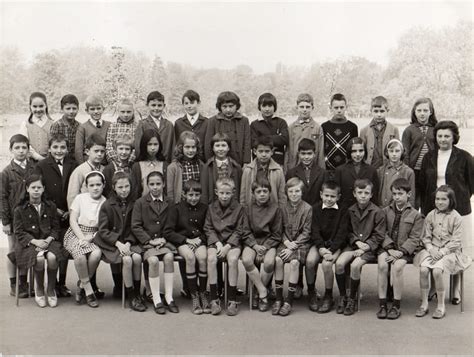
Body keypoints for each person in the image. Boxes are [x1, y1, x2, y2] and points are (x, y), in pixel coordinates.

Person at [419, 120, 474, 304]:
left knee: (456, 248)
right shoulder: (429, 157)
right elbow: (423, 184)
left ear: (454, 137)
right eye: (440, 136)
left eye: (447, 136)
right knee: (436, 244)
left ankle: (456, 289)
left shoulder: (465, 157)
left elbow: (471, 184)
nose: (443, 139)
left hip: (459, 210)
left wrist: (458, 198)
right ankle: (434, 287)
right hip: (434, 209)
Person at [414, 185, 471, 319]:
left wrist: (442, 252)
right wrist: (431, 249)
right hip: (432, 249)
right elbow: (426, 237)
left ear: (451, 200)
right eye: (437, 199)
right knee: (423, 270)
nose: (439, 202)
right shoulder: (430, 215)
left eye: (443, 199)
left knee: (437, 271)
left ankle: (440, 305)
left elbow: (456, 241)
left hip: (449, 252)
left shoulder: (456, 217)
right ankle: (424, 303)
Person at [12, 175, 67, 308]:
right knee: (39, 259)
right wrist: (35, 241)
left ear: (43, 189)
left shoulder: (50, 206)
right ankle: (40, 289)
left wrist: (48, 240)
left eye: (39, 187)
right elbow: (19, 232)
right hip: (29, 243)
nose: (36, 190)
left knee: (53, 257)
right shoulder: (20, 209)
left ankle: (51, 289)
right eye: (33, 188)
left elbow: (55, 228)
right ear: (27, 189)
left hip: (49, 240)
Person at [95, 172, 146, 312]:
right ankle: (130, 296)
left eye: (127, 186)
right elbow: (103, 231)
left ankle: (136, 292)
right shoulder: (107, 205)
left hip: (130, 241)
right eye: (120, 187)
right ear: (114, 187)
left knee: (136, 258)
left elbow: (136, 226)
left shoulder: (136, 203)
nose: (124, 190)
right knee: (128, 260)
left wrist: (129, 243)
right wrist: (118, 243)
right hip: (113, 243)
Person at [34, 133, 78, 297]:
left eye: (62, 147)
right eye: (55, 147)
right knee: (54, 248)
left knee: (64, 249)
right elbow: (40, 190)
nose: (59, 151)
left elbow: (77, 189)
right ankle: (49, 284)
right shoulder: (42, 165)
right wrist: (55, 209)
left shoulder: (73, 164)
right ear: (49, 149)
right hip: (51, 213)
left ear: (67, 149)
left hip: (69, 213)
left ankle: (62, 283)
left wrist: (70, 210)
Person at [334, 178, 385, 316]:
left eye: (366, 193)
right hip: (353, 246)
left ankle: (352, 300)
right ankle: (343, 296)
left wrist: (366, 247)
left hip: (369, 249)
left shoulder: (377, 212)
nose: (363, 195)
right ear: (354, 194)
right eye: (360, 192)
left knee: (355, 266)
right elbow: (347, 231)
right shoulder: (350, 210)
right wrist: (356, 242)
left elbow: (379, 235)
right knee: (339, 263)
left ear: (371, 194)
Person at [131, 171, 179, 314]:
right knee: (152, 261)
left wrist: (164, 238)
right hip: (147, 243)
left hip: (164, 241)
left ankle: (169, 297)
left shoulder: (170, 202)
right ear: (147, 185)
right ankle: (157, 298)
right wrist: (149, 241)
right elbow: (136, 226)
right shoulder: (140, 203)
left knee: (169, 257)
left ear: (164, 184)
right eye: (152, 184)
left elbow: (172, 224)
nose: (155, 187)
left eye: (158, 184)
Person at [377, 178, 423, 320]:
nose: (397, 197)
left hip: (404, 251)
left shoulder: (415, 215)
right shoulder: (384, 211)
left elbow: (415, 238)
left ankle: (396, 305)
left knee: (397, 267)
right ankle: (383, 304)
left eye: (400, 194)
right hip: (387, 249)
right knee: (383, 265)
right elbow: (380, 232)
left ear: (408, 194)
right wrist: (390, 249)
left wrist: (401, 252)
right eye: (394, 193)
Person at [164, 180, 210, 314]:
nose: (194, 198)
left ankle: (202, 293)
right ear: (184, 194)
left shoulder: (204, 208)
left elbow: (208, 229)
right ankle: (193, 295)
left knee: (202, 257)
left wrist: (200, 239)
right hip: (183, 241)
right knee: (190, 257)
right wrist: (186, 240)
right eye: (190, 195)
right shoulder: (176, 208)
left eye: (196, 195)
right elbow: (168, 231)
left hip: (199, 240)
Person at [63, 171, 106, 308]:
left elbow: (103, 227)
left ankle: (82, 283)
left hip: (94, 235)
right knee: (80, 255)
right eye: (91, 185)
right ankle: (88, 290)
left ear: (103, 185)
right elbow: (73, 220)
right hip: (76, 233)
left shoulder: (105, 202)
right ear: (86, 186)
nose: (95, 188)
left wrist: (90, 238)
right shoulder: (80, 198)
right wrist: (82, 237)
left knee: (96, 253)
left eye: (98, 184)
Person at [204, 178, 246, 316]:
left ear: (233, 193)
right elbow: (208, 227)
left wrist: (227, 246)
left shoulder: (239, 208)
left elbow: (240, 230)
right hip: (215, 241)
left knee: (233, 260)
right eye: (221, 193)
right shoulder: (211, 207)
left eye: (227, 193)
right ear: (216, 192)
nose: (224, 196)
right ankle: (214, 299)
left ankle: (232, 300)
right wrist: (217, 243)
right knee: (211, 259)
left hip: (232, 243)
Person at [0, 134, 36, 297]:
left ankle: (24, 281)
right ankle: (14, 283)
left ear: (28, 150)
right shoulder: (6, 173)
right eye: (17, 148)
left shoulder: (33, 168)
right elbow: (2, 198)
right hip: (14, 220)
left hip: (29, 217)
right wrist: (5, 222)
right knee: (14, 250)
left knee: (26, 249)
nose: (21, 151)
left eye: (24, 147)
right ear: (11, 150)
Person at [306, 180, 349, 313]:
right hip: (319, 244)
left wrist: (331, 250)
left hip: (335, 246)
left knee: (326, 264)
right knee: (310, 261)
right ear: (321, 195)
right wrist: (320, 247)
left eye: (332, 196)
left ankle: (328, 296)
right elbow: (314, 230)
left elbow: (342, 234)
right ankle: (311, 292)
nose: (329, 199)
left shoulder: (343, 210)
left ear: (338, 197)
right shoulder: (315, 209)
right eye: (326, 196)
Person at [272, 177, 312, 316]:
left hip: (300, 244)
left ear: (302, 192)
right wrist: (286, 242)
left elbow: (307, 232)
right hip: (286, 242)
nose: (294, 194)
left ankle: (288, 301)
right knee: (277, 260)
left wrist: (294, 245)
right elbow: (279, 229)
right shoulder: (282, 208)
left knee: (294, 263)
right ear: (286, 193)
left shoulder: (307, 208)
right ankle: (278, 298)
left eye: (297, 191)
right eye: (291, 192)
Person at [241, 178, 282, 312]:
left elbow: (277, 233)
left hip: (269, 242)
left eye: (265, 191)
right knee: (247, 259)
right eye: (259, 191)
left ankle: (257, 292)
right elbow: (245, 231)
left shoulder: (275, 209)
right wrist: (254, 245)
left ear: (270, 192)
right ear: (253, 194)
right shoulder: (247, 208)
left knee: (269, 262)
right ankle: (263, 291)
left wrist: (265, 246)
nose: (262, 194)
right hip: (253, 241)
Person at [401, 97, 437, 209]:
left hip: (430, 170)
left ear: (430, 112)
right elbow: (405, 153)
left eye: (425, 110)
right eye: (419, 110)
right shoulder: (409, 130)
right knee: (414, 200)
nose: (422, 114)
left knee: (429, 199)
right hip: (414, 171)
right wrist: (407, 170)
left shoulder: (435, 129)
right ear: (414, 112)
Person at [204, 91, 251, 166]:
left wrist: (246, 162)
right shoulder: (213, 121)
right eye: (224, 106)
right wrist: (211, 162)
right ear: (220, 107)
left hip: (239, 161)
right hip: (218, 162)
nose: (228, 109)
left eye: (231, 106)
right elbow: (208, 145)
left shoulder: (244, 121)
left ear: (236, 106)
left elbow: (247, 143)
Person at [240, 136, 286, 208]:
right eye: (260, 151)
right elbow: (243, 194)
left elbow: (282, 195)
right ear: (255, 152)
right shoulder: (248, 170)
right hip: (252, 209)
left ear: (272, 152)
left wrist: (281, 211)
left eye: (267, 151)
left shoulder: (278, 170)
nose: (264, 155)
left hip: (272, 210)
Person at [334, 137, 379, 209]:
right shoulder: (340, 170)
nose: (358, 154)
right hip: (346, 210)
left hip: (366, 210)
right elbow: (336, 195)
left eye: (361, 151)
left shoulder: (372, 170)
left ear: (365, 152)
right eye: (354, 151)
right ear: (349, 152)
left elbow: (375, 195)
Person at [285, 93, 324, 171]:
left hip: (312, 169)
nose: (304, 109)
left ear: (312, 108)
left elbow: (320, 152)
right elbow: (288, 151)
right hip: (294, 168)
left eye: (307, 107)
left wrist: (321, 171)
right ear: (297, 108)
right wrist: (287, 170)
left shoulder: (317, 128)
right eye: (302, 107)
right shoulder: (291, 127)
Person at [200, 132, 242, 204]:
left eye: (223, 145)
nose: (220, 149)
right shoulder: (207, 167)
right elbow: (204, 191)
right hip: (213, 205)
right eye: (217, 146)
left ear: (228, 148)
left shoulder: (236, 167)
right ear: (213, 148)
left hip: (232, 205)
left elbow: (238, 189)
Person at [321, 93, 358, 173]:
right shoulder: (324, 126)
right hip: (328, 169)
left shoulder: (352, 127)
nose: (339, 110)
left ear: (346, 107)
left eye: (342, 107)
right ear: (331, 108)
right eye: (336, 107)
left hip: (347, 170)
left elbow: (354, 150)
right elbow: (322, 150)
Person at [134, 91, 175, 163]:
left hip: (165, 164)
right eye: (153, 105)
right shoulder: (142, 124)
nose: (156, 108)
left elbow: (173, 147)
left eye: (159, 105)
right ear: (147, 105)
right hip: (147, 163)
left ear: (164, 106)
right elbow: (138, 147)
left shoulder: (169, 125)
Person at [359, 96, 400, 169]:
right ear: (371, 111)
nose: (379, 114)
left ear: (387, 111)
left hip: (388, 169)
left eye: (382, 111)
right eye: (376, 111)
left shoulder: (394, 129)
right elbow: (362, 153)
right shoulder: (364, 131)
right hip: (370, 168)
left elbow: (397, 152)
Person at [67, 134, 106, 208]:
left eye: (102, 151)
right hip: (84, 211)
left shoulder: (104, 170)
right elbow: (72, 196)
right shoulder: (80, 171)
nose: (99, 154)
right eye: (96, 151)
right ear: (87, 152)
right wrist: (74, 215)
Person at [250, 92, 289, 166]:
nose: (267, 109)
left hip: (278, 160)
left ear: (275, 107)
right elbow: (253, 142)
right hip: (259, 162)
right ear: (259, 107)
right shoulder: (254, 124)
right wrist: (276, 137)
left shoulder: (281, 122)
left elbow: (284, 139)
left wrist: (262, 138)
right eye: (264, 106)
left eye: (270, 106)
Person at [286, 138, 327, 206]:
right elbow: (288, 195)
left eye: (309, 153)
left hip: (316, 211)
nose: (306, 157)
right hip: (298, 210)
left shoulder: (323, 173)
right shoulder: (291, 173)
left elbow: (324, 194)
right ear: (298, 154)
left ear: (314, 154)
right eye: (303, 154)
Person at [167, 131, 203, 204]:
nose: (190, 150)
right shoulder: (173, 167)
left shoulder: (201, 165)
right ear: (180, 147)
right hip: (180, 205)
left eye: (193, 147)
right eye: (187, 147)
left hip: (197, 203)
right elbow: (170, 191)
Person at [377, 139, 415, 208]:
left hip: (400, 209)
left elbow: (411, 197)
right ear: (387, 152)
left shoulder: (408, 172)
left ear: (402, 152)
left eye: (397, 151)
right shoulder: (380, 171)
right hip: (383, 208)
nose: (394, 154)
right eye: (391, 151)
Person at [131, 129, 168, 198]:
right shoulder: (137, 166)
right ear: (144, 145)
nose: (153, 148)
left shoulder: (165, 165)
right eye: (149, 144)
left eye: (155, 144)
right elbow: (135, 192)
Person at [75, 95, 110, 164]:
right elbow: (78, 151)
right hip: (88, 164)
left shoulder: (109, 125)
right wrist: (83, 166)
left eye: (99, 108)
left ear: (103, 109)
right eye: (92, 109)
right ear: (87, 111)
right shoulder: (83, 127)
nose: (96, 111)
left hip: (105, 165)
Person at [19, 92, 54, 162]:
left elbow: (56, 143)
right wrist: (39, 158)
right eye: (35, 106)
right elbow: (24, 145)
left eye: (41, 106)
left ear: (46, 106)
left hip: (50, 162)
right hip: (31, 163)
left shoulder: (53, 124)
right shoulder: (25, 124)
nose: (38, 109)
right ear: (30, 106)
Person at [105, 98, 138, 166]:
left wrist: (129, 161)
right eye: (122, 112)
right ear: (118, 111)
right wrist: (117, 161)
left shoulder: (137, 126)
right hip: (115, 163)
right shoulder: (113, 126)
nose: (126, 115)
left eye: (129, 112)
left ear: (133, 111)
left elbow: (137, 147)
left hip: (132, 163)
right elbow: (109, 146)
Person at [174, 90, 208, 155]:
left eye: (192, 103)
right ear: (183, 105)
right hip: (183, 161)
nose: (189, 106)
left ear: (198, 103)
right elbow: (177, 145)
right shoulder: (178, 123)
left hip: (202, 161)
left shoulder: (207, 122)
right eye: (186, 103)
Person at [50, 94, 81, 161]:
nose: (71, 111)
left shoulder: (80, 126)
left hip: (75, 160)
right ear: (62, 109)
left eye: (74, 108)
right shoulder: (57, 125)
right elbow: (53, 145)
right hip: (59, 158)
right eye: (68, 108)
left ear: (78, 109)